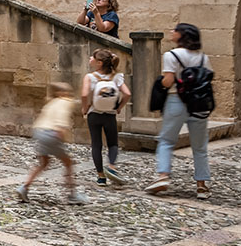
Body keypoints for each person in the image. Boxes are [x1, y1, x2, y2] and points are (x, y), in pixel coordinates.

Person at [145, 23, 212, 199]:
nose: (171, 32)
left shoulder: (171, 55)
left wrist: (159, 84)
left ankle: (163, 177)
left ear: (182, 35)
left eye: (175, 30)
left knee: (166, 140)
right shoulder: (203, 57)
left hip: (176, 101)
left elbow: (168, 81)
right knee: (199, 146)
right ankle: (202, 185)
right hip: (198, 105)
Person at [14, 82, 90, 204]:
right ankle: (72, 195)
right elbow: (61, 120)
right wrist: (61, 135)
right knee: (68, 163)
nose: (69, 95)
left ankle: (24, 187)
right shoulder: (65, 102)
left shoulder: (51, 103)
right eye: (68, 92)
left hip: (39, 132)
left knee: (43, 163)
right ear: (63, 93)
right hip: (52, 133)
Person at [81, 49, 131, 187]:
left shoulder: (90, 77)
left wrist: (84, 108)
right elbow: (127, 93)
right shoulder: (116, 76)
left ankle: (101, 177)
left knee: (96, 144)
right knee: (113, 143)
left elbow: (84, 95)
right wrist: (119, 107)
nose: (90, 58)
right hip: (110, 114)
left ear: (99, 63)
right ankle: (112, 166)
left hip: (94, 113)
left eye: (93, 57)